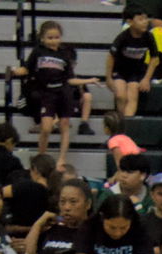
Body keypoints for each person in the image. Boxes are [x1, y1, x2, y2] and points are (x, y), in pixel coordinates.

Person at [8, 21, 97, 165]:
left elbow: (70, 79)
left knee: (64, 125)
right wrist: (14, 71)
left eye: (57, 37)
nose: (54, 41)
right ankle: (41, 156)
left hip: (63, 92)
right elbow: (26, 69)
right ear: (42, 38)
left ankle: (62, 159)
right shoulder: (38, 52)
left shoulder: (64, 55)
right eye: (50, 38)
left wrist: (89, 80)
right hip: (47, 93)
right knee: (46, 127)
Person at [106, 7, 159, 118]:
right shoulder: (123, 37)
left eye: (146, 19)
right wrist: (108, 78)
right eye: (140, 19)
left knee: (132, 96)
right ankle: (122, 120)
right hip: (120, 71)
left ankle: (128, 123)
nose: (145, 22)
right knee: (120, 96)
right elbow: (111, 56)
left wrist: (146, 79)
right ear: (130, 22)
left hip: (137, 72)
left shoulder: (149, 37)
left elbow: (154, 58)